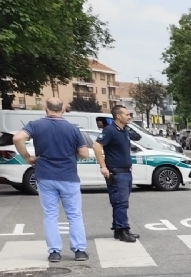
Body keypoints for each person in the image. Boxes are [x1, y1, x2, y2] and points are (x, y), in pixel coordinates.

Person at [11, 99, 91, 263]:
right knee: (74, 214)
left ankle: (54, 252)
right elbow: (84, 154)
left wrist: (27, 157)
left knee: (50, 215)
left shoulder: (35, 125)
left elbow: (17, 138)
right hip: (68, 176)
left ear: (45, 108)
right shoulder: (72, 128)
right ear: (63, 109)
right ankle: (79, 250)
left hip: (45, 175)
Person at [92, 104, 139, 243]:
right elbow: (96, 145)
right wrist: (103, 166)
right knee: (121, 202)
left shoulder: (123, 130)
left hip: (125, 172)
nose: (129, 116)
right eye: (126, 114)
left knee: (120, 202)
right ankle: (123, 230)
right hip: (117, 173)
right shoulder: (110, 130)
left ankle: (119, 230)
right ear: (118, 116)